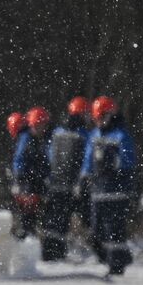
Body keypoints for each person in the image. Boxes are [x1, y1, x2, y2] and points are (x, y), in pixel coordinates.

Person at [81, 95, 138, 276]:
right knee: (96, 230)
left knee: (115, 230)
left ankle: (117, 264)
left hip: (116, 191)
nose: (99, 122)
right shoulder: (94, 135)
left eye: (102, 117)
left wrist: (115, 167)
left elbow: (128, 161)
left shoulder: (121, 135)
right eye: (96, 118)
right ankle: (119, 256)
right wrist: (84, 177)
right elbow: (88, 160)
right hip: (98, 191)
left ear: (111, 115)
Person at [38, 97, 91, 261]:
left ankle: (48, 251)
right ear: (82, 113)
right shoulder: (83, 134)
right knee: (66, 220)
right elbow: (87, 159)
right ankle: (58, 252)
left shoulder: (57, 132)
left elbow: (48, 154)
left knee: (53, 220)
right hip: (71, 184)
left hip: (54, 183)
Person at [11, 107, 51, 239]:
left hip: (38, 179)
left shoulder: (42, 140)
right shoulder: (26, 138)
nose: (41, 129)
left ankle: (32, 233)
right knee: (28, 208)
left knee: (37, 208)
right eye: (38, 125)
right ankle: (26, 233)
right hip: (28, 180)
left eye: (43, 125)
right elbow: (19, 159)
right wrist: (20, 177)